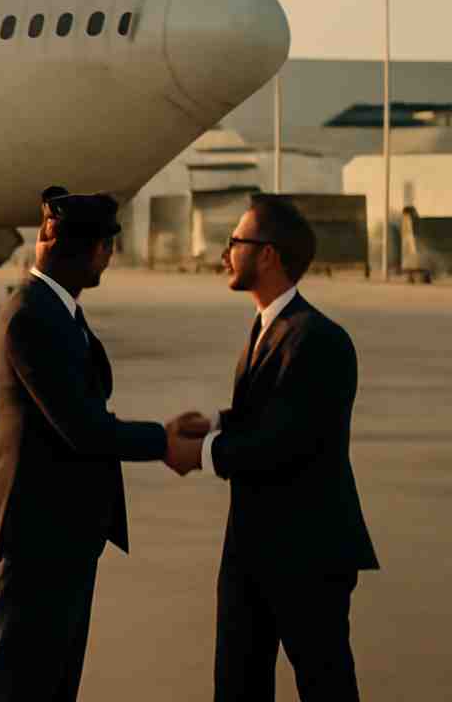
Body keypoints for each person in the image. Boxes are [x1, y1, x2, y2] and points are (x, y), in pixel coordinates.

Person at [0, 187, 190, 702]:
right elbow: (85, 429)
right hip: (41, 530)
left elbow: (0, 411)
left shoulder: (53, 308)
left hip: (60, 524)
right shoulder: (34, 314)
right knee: (19, 680)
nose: (108, 261)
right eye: (107, 249)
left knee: (51, 677)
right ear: (97, 251)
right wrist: (163, 441)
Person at [165, 194, 377, 701]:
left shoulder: (319, 340)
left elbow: (285, 441)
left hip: (307, 553)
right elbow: (270, 411)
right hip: (251, 550)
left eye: (236, 242)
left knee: (325, 686)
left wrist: (200, 454)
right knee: (237, 686)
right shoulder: (269, 327)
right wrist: (216, 421)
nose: (225, 252)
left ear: (268, 255)